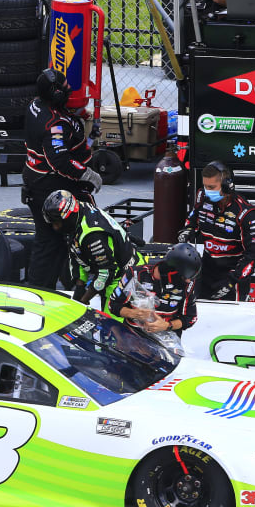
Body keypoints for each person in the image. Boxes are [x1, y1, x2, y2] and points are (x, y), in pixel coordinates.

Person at [22, 68, 104, 290]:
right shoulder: (54, 124)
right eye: (65, 87)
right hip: (48, 186)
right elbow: (60, 161)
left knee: (53, 241)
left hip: (36, 180)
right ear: (56, 93)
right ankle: (40, 291)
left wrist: (85, 136)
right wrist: (89, 175)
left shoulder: (36, 104)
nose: (70, 88)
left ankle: (55, 286)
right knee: (53, 240)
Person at [179, 161, 255, 301]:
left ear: (227, 186)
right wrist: (188, 230)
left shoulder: (246, 214)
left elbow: (253, 255)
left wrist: (232, 281)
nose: (207, 191)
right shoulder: (202, 196)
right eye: (205, 186)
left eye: (211, 187)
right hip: (206, 272)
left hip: (232, 278)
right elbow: (193, 218)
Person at [44, 189, 138, 310]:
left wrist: (84, 300)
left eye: (56, 223)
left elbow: (106, 273)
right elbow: (76, 252)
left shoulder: (93, 236)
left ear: (68, 216)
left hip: (124, 276)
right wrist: (80, 286)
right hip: (114, 268)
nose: (55, 227)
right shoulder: (80, 209)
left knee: (113, 325)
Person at [108, 242, 201, 334]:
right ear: (171, 272)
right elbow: (113, 305)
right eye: (185, 277)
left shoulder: (189, 284)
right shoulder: (135, 274)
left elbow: (190, 318)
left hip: (167, 341)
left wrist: (166, 325)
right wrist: (133, 313)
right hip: (132, 337)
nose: (189, 280)